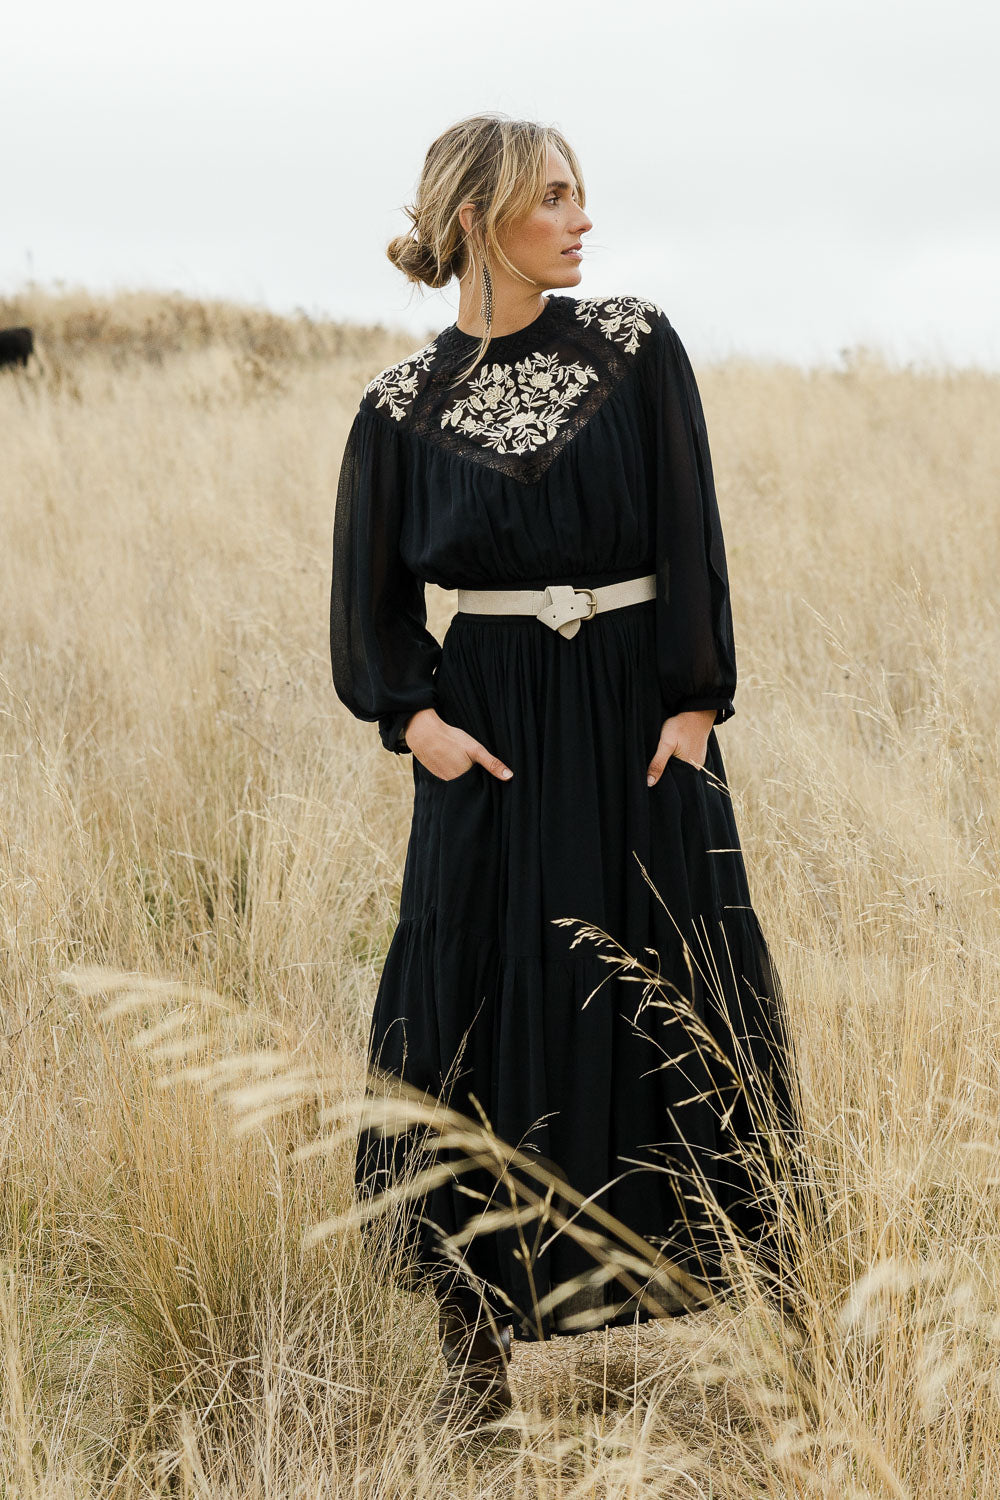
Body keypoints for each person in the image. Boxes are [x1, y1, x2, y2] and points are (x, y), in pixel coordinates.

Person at [329, 113, 808, 1425]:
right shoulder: (398, 407)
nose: (582, 218)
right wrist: (414, 722)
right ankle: (474, 1357)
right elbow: (369, 604)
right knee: (472, 999)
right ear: (475, 218)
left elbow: (692, 526)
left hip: (638, 723)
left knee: (687, 986)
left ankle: (785, 1328)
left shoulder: (637, 348)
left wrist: (696, 701)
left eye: (580, 194)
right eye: (552, 197)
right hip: (487, 740)